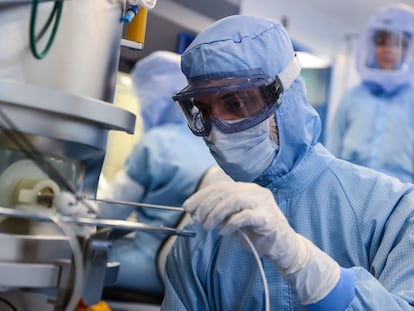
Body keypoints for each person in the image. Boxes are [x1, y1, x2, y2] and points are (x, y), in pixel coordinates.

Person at [160, 15, 414, 310]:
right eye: (204, 110)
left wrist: (312, 271)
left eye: (235, 104)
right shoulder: (199, 240)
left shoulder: (392, 211)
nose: (217, 127)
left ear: (285, 96)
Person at [98, 51, 217, 295]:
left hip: (148, 267)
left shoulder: (156, 143)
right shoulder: (215, 145)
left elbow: (107, 215)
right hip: (192, 276)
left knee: (73, 260)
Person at [325, 3, 414, 183]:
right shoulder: (352, 97)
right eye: (381, 42)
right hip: (351, 186)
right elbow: (332, 150)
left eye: (397, 43)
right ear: (372, 47)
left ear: (407, 49)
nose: (388, 49)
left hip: (402, 193)